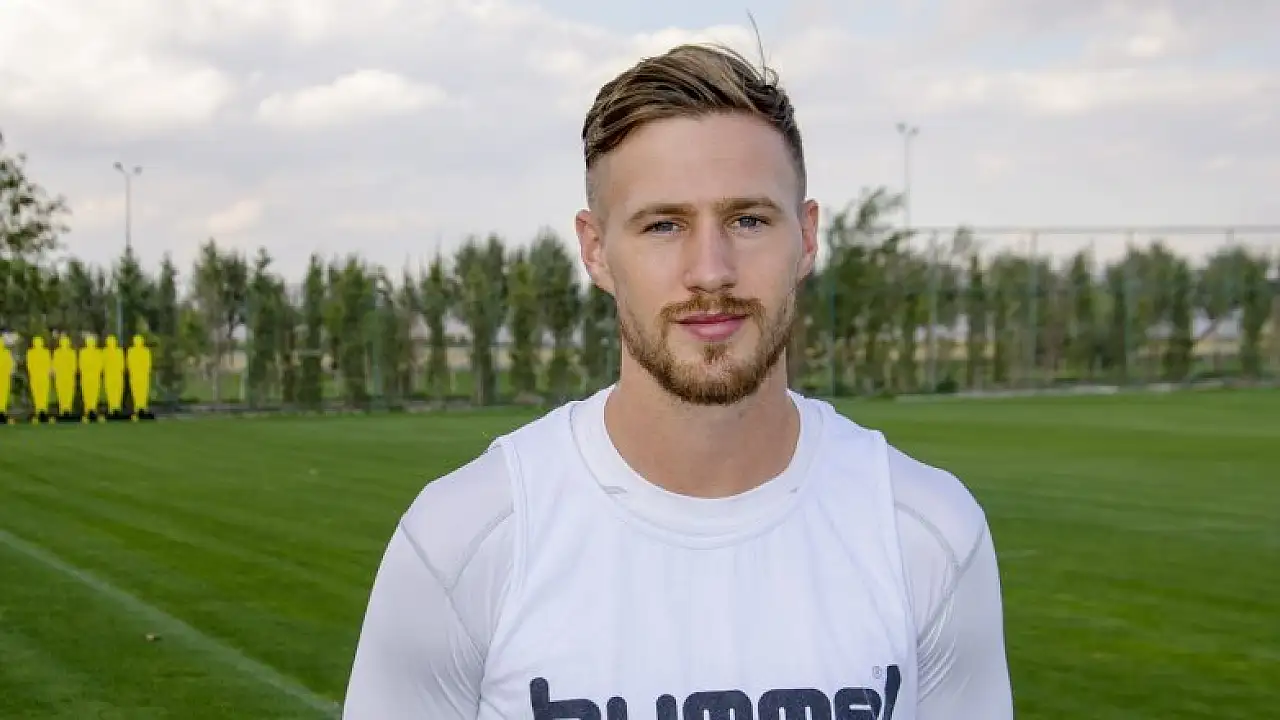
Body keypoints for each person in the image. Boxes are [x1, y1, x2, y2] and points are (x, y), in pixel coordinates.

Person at [342, 42, 1014, 720]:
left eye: (748, 220)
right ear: (596, 250)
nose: (710, 270)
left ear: (807, 237)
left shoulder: (926, 532)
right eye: (663, 225)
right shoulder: (465, 539)